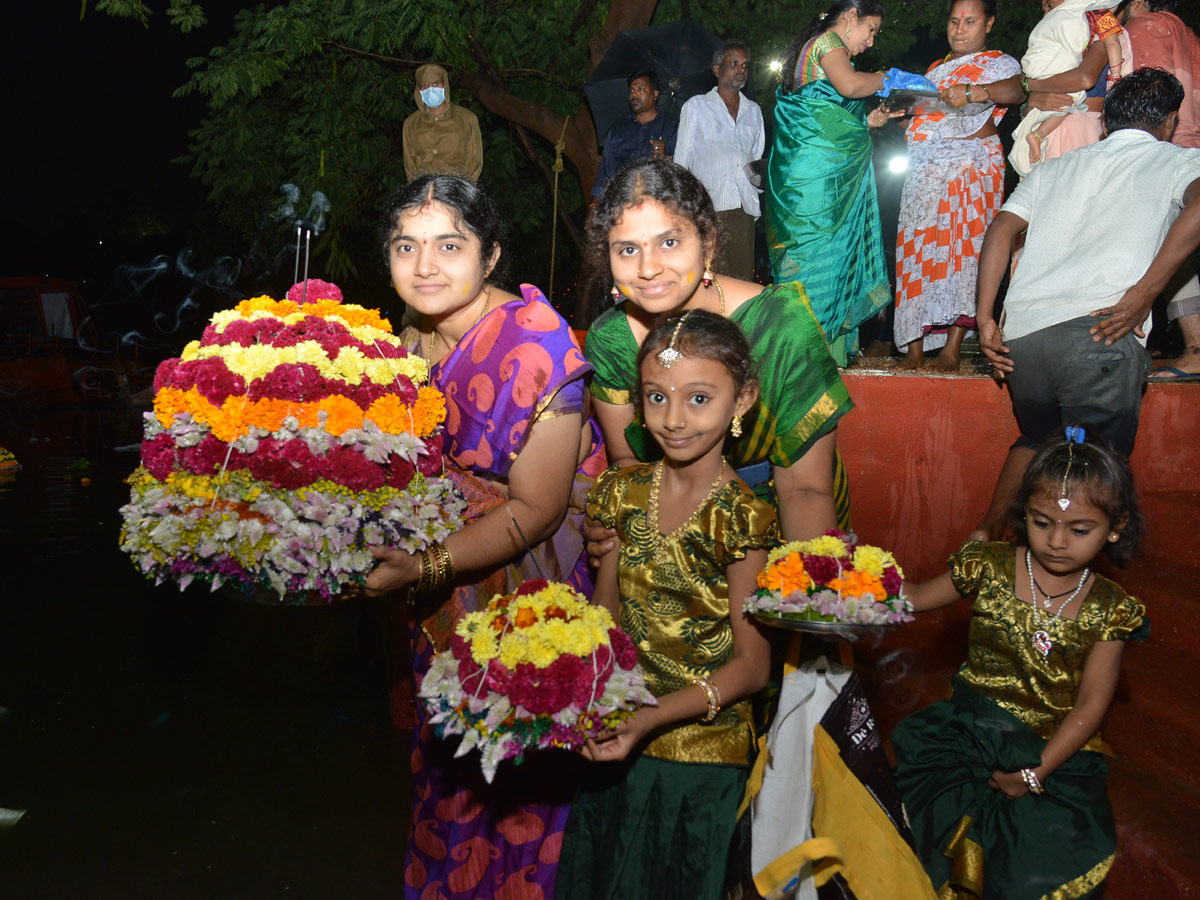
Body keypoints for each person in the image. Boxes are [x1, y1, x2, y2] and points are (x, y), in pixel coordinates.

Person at [365, 174, 606, 899]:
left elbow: (535, 510)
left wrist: (424, 566)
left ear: (491, 253)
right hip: (440, 609)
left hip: (527, 610)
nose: (425, 265)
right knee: (448, 788)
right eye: (406, 246)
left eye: (449, 245)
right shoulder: (410, 342)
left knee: (521, 800)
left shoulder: (536, 343)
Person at [556, 309, 776, 900]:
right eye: (656, 397)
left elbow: (753, 668)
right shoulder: (620, 492)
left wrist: (651, 718)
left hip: (701, 755)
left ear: (743, 399)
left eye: (699, 399)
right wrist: (580, 686)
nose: (673, 420)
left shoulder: (742, 516)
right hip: (618, 731)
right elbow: (608, 619)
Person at [893, 428, 1149, 900]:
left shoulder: (1111, 609)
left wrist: (1035, 773)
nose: (1056, 541)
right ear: (1022, 514)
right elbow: (914, 599)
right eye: (1041, 522)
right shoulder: (987, 566)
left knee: (1028, 869)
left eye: (1079, 530)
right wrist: (847, 585)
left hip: (1048, 753)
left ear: (1115, 527)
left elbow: (1091, 707)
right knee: (933, 864)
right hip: (964, 737)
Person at [970, 67, 1200, 541]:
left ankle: (986, 537)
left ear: (1107, 120)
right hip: (1100, 335)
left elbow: (999, 230)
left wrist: (986, 318)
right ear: (1170, 121)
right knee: (1091, 474)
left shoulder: (1055, 167)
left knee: (1040, 440)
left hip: (1025, 342)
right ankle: (1056, 590)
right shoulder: (1179, 161)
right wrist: (1145, 292)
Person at [583, 159, 854, 550]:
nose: (647, 269)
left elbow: (805, 491)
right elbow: (629, 466)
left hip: (781, 515)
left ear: (707, 242)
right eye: (627, 249)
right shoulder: (612, 340)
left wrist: (801, 595)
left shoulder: (779, 325)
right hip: (669, 519)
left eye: (669, 242)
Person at [765, 0, 904, 366]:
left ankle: (823, 355)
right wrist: (890, 77)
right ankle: (806, 359)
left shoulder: (819, 51)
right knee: (818, 255)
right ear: (850, 17)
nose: (871, 41)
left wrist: (866, 124)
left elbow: (827, 120)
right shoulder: (828, 44)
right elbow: (850, 85)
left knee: (825, 257)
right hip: (815, 185)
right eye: (870, 29)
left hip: (814, 179)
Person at [893, 0, 1020, 371]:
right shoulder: (936, 69)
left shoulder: (1001, 64)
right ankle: (913, 349)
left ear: (989, 23)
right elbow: (922, 118)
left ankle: (951, 350)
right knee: (915, 251)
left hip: (973, 167)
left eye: (969, 21)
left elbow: (1016, 92)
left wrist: (976, 91)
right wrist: (899, 113)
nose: (959, 29)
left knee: (964, 252)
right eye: (953, 21)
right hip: (925, 169)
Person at [1119, 0, 1200, 379]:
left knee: (1159, 250)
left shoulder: (1144, 25)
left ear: (1138, 3)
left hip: (1162, 149)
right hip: (1192, 148)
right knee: (1178, 250)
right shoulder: (1190, 36)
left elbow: (1144, 97)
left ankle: (1195, 347)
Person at [673, 41, 765, 282]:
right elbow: (681, 163)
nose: (741, 69)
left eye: (745, 65)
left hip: (744, 207)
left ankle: (739, 322)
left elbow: (755, 160)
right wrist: (682, 210)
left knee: (743, 281)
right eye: (733, 63)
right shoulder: (696, 107)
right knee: (710, 281)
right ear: (717, 70)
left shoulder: (753, 111)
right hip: (708, 207)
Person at [1009, 0, 1133, 176]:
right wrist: (1032, 101)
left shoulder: (1100, 23)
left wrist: (1030, 85)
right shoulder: (1053, 42)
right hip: (1049, 130)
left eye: (1051, 6)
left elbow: (1085, 78)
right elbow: (1030, 98)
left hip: (1082, 131)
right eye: (1043, 9)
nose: (1047, 15)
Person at [590, 71, 679, 202]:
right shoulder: (619, 129)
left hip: (658, 206)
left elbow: (683, 169)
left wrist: (667, 157)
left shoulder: (672, 128)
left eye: (640, 89)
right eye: (631, 90)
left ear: (655, 95)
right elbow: (604, 172)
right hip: (620, 204)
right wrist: (593, 206)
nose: (634, 94)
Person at [402, 63, 484, 182]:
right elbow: (410, 167)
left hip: (456, 192)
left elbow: (475, 162)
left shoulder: (467, 119)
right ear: (419, 90)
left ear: (444, 84)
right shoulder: (411, 124)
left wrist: (462, 195)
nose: (431, 90)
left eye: (436, 84)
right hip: (425, 193)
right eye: (425, 86)